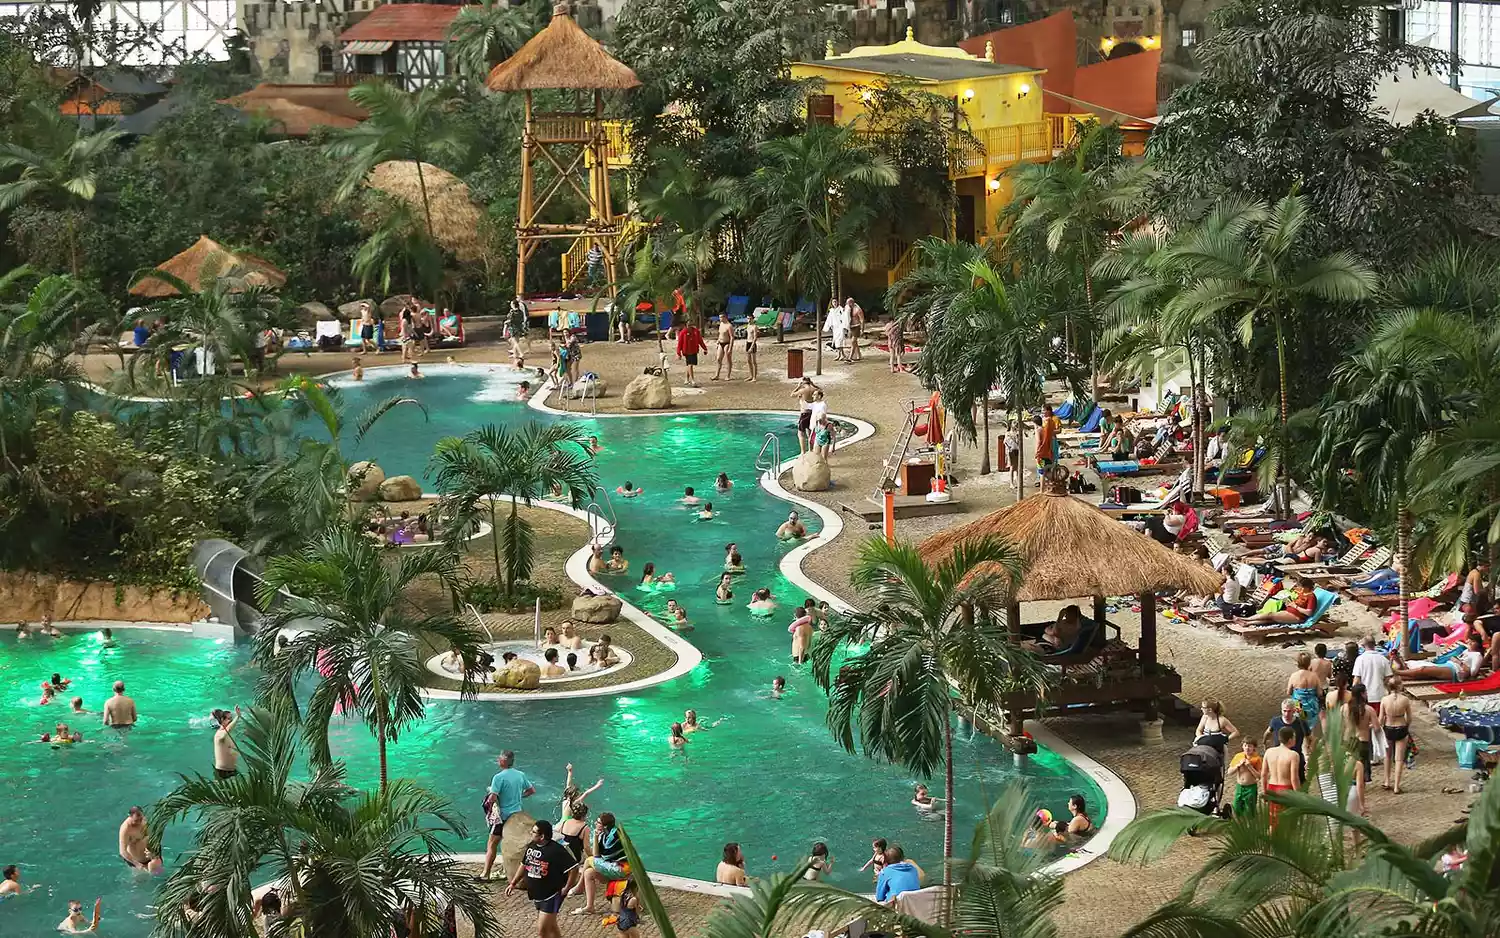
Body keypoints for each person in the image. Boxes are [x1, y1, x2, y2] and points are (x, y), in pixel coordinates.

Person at [506, 819, 579, 938]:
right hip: (537, 895)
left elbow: (574, 868)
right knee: (552, 926)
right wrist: (513, 883)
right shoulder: (532, 846)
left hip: (551, 895)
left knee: (542, 931)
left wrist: (566, 888)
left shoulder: (556, 850)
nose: (531, 833)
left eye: (534, 832)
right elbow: (524, 864)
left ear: (542, 836)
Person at [481, 751, 536, 881]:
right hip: (517, 815)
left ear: (503, 761)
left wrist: (488, 799)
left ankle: (485, 873)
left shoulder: (498, 777)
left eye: (499, 758)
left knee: (492, 844)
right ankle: (512, 871)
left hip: (503, 817)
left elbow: (493, 798)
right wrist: (519, 796)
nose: (497, 760)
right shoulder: (520, 775)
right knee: (514, 845)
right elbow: (531, 791)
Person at [572, 812, 627, 915]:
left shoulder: (614, 836)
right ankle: (590, 906)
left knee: (589, 860)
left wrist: (597, 838)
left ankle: (579, 887)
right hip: (611, 867)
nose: (595, 824)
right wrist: (596, 837)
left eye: (598, 822)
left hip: (620, 869)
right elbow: (596, 854)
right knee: (588, 873)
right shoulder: (604, 834)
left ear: (604, 826)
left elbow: (599, 857)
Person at [1393, 635, 1487, 682]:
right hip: (1450, 665)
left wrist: (1459, 662)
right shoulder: (1466, 651)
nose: (1469, 643)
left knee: (1423, 669)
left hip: (1456, 671)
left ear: (1478, 644)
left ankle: (1396, 672)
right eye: (1469, 641)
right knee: (1422, 673)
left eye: (1472, 642)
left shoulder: (1477, 655)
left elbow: (1473, 672)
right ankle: (1397, 676)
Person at [1262, 726, 1302, 831]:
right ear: (1290, 739)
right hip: (1286, 789)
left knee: (1273, 822)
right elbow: (1294, 778)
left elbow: (1263, 774)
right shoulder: (1293, 755)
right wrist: (1300, 796)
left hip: (1272, 787)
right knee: (1287, 821)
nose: (1295, 739)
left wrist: (1265, 791)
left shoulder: (1269, 752)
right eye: (1294, 737)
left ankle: (1270, 844)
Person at [1236, 576, 1317, 626]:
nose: (1299, 589)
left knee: (1270, 615)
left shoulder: (1311, 597)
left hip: (1297, 617)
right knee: (1270, 619)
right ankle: (1247, 623)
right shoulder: (1302, 593)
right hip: (1290, 612)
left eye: (1301, 587)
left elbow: (1309, 612)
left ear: (1307, 587)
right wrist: (1289, 603)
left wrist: (1295, 606)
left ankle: (1246, 619)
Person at [1344, 683, 1373, 816]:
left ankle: (1348, 801)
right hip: (1363, 742)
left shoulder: (1344, 708)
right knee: (1361, 776)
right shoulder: (1368, 709)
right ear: (1362, 694)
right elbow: (1377, 726)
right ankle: (1361, 804)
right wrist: (1369, 725)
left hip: (1349, 741)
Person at [1380, 675, 1412, 793]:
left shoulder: (1384, 699)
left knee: (1387, 756)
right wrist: (1407, 726)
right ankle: (1397, 786)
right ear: (1399, 686)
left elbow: (1381, 718)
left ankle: (1387, 781)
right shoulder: (1405, 700)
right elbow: (1409, 717)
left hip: (1388, 727)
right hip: (1401, 727)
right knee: (1399, 759)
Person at [1262, 698, 1310, 767]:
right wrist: (1264, 743)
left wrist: (1307, 755)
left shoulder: (1301, 723)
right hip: (1279, 757)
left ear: (1294, 711)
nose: (1286, 714)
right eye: (1284, 711)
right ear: (1281, 710)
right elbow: (1267, 733)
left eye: (1289, 711)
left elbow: (1308, 738)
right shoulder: (1275, 721)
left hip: (1296, 757)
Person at [1287, 652, 1324, 731]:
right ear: (1309, 663)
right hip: (1312, 706)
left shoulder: (1294, 676)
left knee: (1300, 727)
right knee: (1310, 729)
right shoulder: (1314, 676)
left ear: (1298, 662)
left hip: (1298, 705)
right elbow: (1319, 693)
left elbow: (1289, 692)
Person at [1227, 739, 1263, 818]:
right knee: (1236, 808)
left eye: (1249, 746)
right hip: (1239, 787)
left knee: (1249, 810)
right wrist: (1238, 765)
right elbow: (1229, 772)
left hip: (1250, 787)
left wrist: (1250, 767)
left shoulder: (1257, 758)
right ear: (1242, 746)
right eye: (1245, 746)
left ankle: (1250, 825)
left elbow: (1258, 776)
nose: (1247, 748)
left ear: (1254, 747)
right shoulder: (1238, 756)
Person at [119, 806, 156, 871]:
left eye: (140, 819)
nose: (139, 822)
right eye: (136, 820)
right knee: (141, 880)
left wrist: (153, 854)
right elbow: (122, 852)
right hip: (137, 863)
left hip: (150, 858)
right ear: (129, 816)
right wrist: (137, 864)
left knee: (159, 873)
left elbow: (152, 837)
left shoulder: (144, 820)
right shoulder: (125, 829)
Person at [676, 318, 708, 386]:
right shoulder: (683, 332)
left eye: (691, 324)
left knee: (689, 365)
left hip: (694, 350)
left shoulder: (696, 331)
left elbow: (700, 341)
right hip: (686, 351)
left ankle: (686, 379)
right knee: (690, 365)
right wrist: (679, 353)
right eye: (688, 324)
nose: (690, 325)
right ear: (686, 325)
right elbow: (679, 343)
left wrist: (705, 348)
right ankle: (693, 380)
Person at [791, 378, 820, 454]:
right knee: (810, 432)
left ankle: (803, 452)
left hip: (804, 414)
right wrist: (813, 384)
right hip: (813, 413)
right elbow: (821, 391)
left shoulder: (802, 390)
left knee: (801, 433)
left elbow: (792, 395)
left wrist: (798, 387)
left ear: (803, 383)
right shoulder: (815, 389)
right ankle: (810, 450)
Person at [212, 706, 240, 779]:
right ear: (222, 720)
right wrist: (238, 717)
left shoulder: (227, 734)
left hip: (232, 771)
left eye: (232, 718)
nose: (231, 720)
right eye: (229, 719)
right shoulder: (219, 735)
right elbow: (228, 729)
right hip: (222, 772)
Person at [1036, 404, 1061, 469]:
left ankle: (1053, 472)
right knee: (1043, 457)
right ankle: (1043, 473)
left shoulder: (1055, 419)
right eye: (1041, 410)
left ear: (1049, 411)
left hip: (1052, 440)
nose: (1042, 412)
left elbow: (1059, 430)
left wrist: (1049, 432)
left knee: (1053, 456)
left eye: (1044, 410)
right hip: (1043, 441)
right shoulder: (1042, 419)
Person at [712, 313, 735, 381]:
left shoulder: (729, 326)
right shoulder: (721, 324)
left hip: (727, 343)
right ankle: (717, 375)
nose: (720, 319)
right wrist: (718, 341)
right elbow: (720, 334)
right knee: (718, 358)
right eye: (719, 317)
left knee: (728, 359)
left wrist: (730, 348)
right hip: (721, 343)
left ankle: (728, 375)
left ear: (725, 317)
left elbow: (732, 337)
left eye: (721, 317)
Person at [847, 297, 864, 361]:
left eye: (848, 303)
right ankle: (859, 355)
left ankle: (850, 357)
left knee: (853, 341)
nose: (847, 304)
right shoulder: (848, 308)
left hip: (856, 326)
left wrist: (862, 329)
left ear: (852, 303)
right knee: (855, 342)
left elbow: (862, 320)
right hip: (851, 326)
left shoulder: (858, 309)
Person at [744, 318, 760, 382]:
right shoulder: (748, 326)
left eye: (750, 319)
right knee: (748, 360)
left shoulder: (755, 327)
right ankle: (751, 375)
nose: (749, 320)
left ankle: (754, 377)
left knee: (754, 361)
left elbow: (755, 338)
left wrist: (751, 347)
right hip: (748, 342)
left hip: (752, 343)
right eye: (748, 318)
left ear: (753, 319)